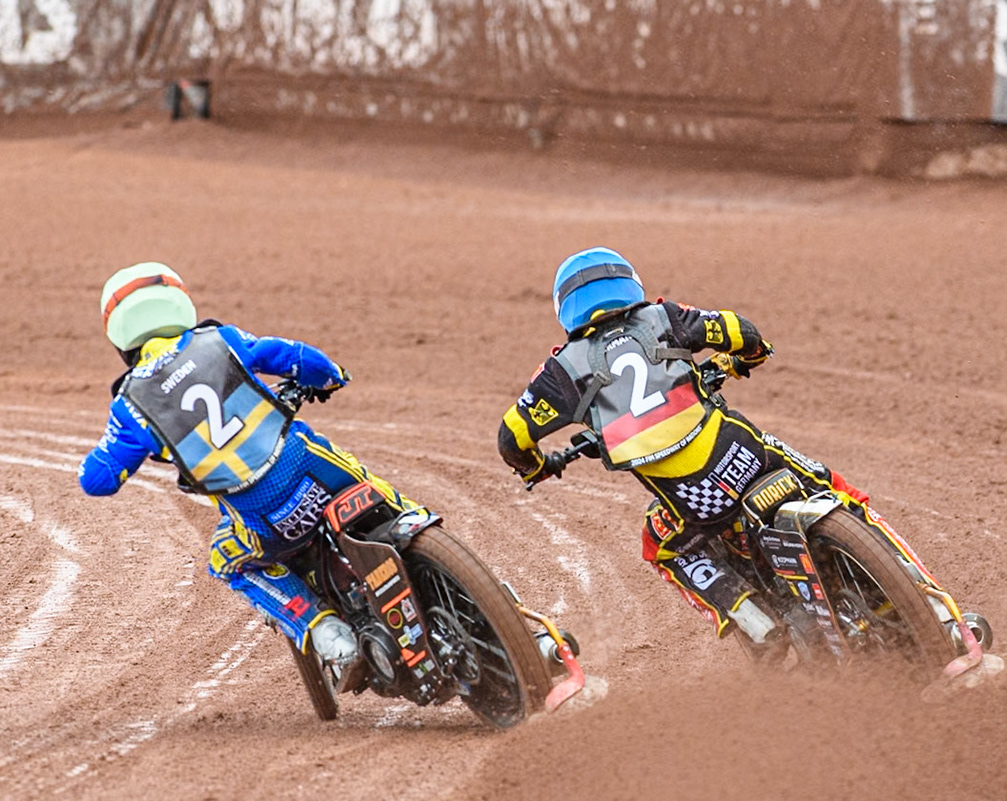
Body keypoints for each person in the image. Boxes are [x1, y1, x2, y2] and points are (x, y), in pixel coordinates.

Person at [499, 247, 924, 662]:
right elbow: (743, 332)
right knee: (831, 486)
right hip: (746, 456)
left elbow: (512, 437)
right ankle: (914, 583)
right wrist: (740, 360)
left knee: (661, 545)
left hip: (694, 501)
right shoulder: (663, 317)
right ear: (629, 284)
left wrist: (538, 465)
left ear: (566, 308)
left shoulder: (561, 371)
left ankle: (753, 620)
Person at [79, 262, 400, 681]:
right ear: (179, 303)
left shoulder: (130, 406)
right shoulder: (221, 340)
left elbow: (98, 480)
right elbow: (297, 357)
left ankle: (325, 631)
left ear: (118, 333)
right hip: (316, 472)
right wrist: (331, 378)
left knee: (227, 559)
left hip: (263, 517)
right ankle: (423, 535)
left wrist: (109, 458)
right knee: (373, 488)